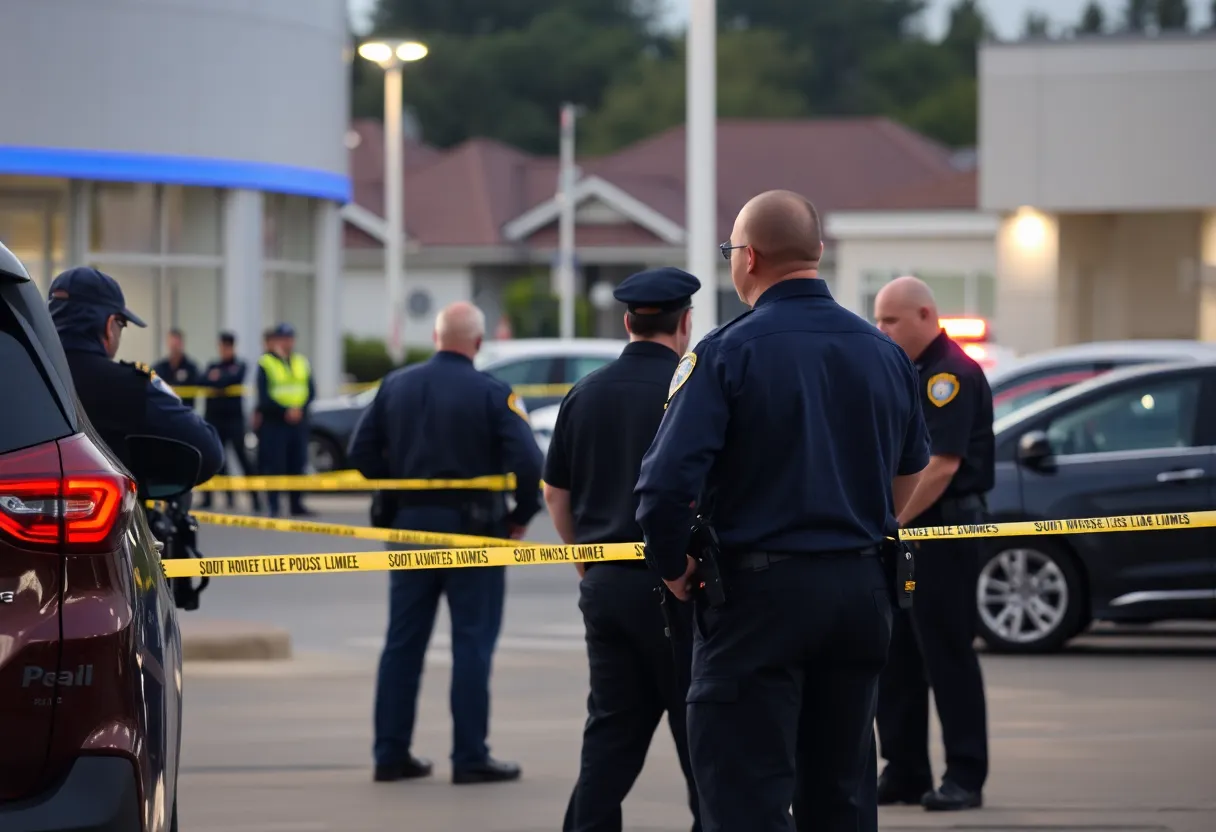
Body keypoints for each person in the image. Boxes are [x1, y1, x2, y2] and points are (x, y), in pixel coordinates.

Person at [634, 190, 930, 832]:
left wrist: (673, 568)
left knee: (745, 796)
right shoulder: (883, 352)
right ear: (816, 251)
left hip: (758, 600)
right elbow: (910, 471)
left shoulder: (724, 352)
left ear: (749, 258)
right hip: (860, 593)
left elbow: (663, 488)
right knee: (842, 795)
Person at [347, 300, 544, 786]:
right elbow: (530, 464)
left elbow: (360, 452)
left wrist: (399, 481)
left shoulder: (395, 385)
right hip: (474, 532)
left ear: (435, 338)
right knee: (472, 643)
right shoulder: (493, 392)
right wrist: (519, 516)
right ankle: (470, 757)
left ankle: (390, 755)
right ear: (477, 342)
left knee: (403, 643)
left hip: (409, 529)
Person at [543, 267, 703, 832]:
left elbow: (555, 493)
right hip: (681, 584)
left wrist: (583, 559)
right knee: (702, 737)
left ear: (629, 322)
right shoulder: (692, 390)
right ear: (685, 323)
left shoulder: (584, 392)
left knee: (610, 734)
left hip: (606, 584)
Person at [872, 275, 993, 812]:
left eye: (891, 320)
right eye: (878, 319)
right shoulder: (909, 372)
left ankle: (965, 774)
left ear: (925, 315)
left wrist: (892, 521)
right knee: (896, 658)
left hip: (942, 533)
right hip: (907, 534)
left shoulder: (949, 375)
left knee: (947, 656)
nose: (882, 330)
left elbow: (941, 467)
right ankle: (905, 770)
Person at [46, 266, 224, 486]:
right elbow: (209, 452)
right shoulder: (128, 386)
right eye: (122, 324)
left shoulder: (21, 379)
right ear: (109, 326)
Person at [255, 322, 315, 518]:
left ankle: (296, 504)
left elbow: (310, 390)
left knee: (297, 463)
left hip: (298, 422)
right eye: (283, 338)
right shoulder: (266, 363)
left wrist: (300, 410)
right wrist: (285, 411)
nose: (286, 342)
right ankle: (273, 505)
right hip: (276, 423)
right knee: (275, 464)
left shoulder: (301, 362)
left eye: (289, 338)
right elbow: (264, 397)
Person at [200, 331, 261, 512]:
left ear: (232, 347)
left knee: (243, 458)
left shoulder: (239, 365)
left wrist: (218, 379)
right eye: (222, 346)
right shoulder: (213, 365)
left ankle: (256, 499)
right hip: (215, 419)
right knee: (216, 459)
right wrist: (217, 379)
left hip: (234, 420)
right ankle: (219, 498)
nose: (224, 350)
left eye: (227, 346)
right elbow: (202, 381)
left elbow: (230, 380)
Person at [153, 327, 203, 408]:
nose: (174, 348)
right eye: (172, 345)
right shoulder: (160, 367)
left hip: (185, 410)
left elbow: (200, 383)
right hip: (166, 410)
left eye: (176, 344)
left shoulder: (191, 368)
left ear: (182, 344)